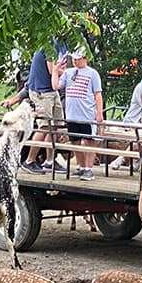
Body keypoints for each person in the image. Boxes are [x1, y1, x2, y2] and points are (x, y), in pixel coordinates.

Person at [4, 40, 68, 173]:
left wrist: (62, 70)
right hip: (41, 92)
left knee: (56, 126)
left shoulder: (64, 43)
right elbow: (53, 70)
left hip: (52, 90)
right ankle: (29, 161)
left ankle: (50, 161)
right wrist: (71, 73)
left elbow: (60, 68)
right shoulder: (50, 44)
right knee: (44, 126)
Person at [52, 46, 104, 181]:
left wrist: (99, 113)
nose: (75, 61)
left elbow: (98, 94)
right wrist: (55, 71)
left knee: (89, 141)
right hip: (71, 114)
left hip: (86, 114)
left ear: (85, 59)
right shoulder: (68, 73)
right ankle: (81, 166)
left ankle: (89, 168)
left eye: (78, 59)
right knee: (75, 141)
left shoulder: (92, 74)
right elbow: (56, 86)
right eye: (74, 59)